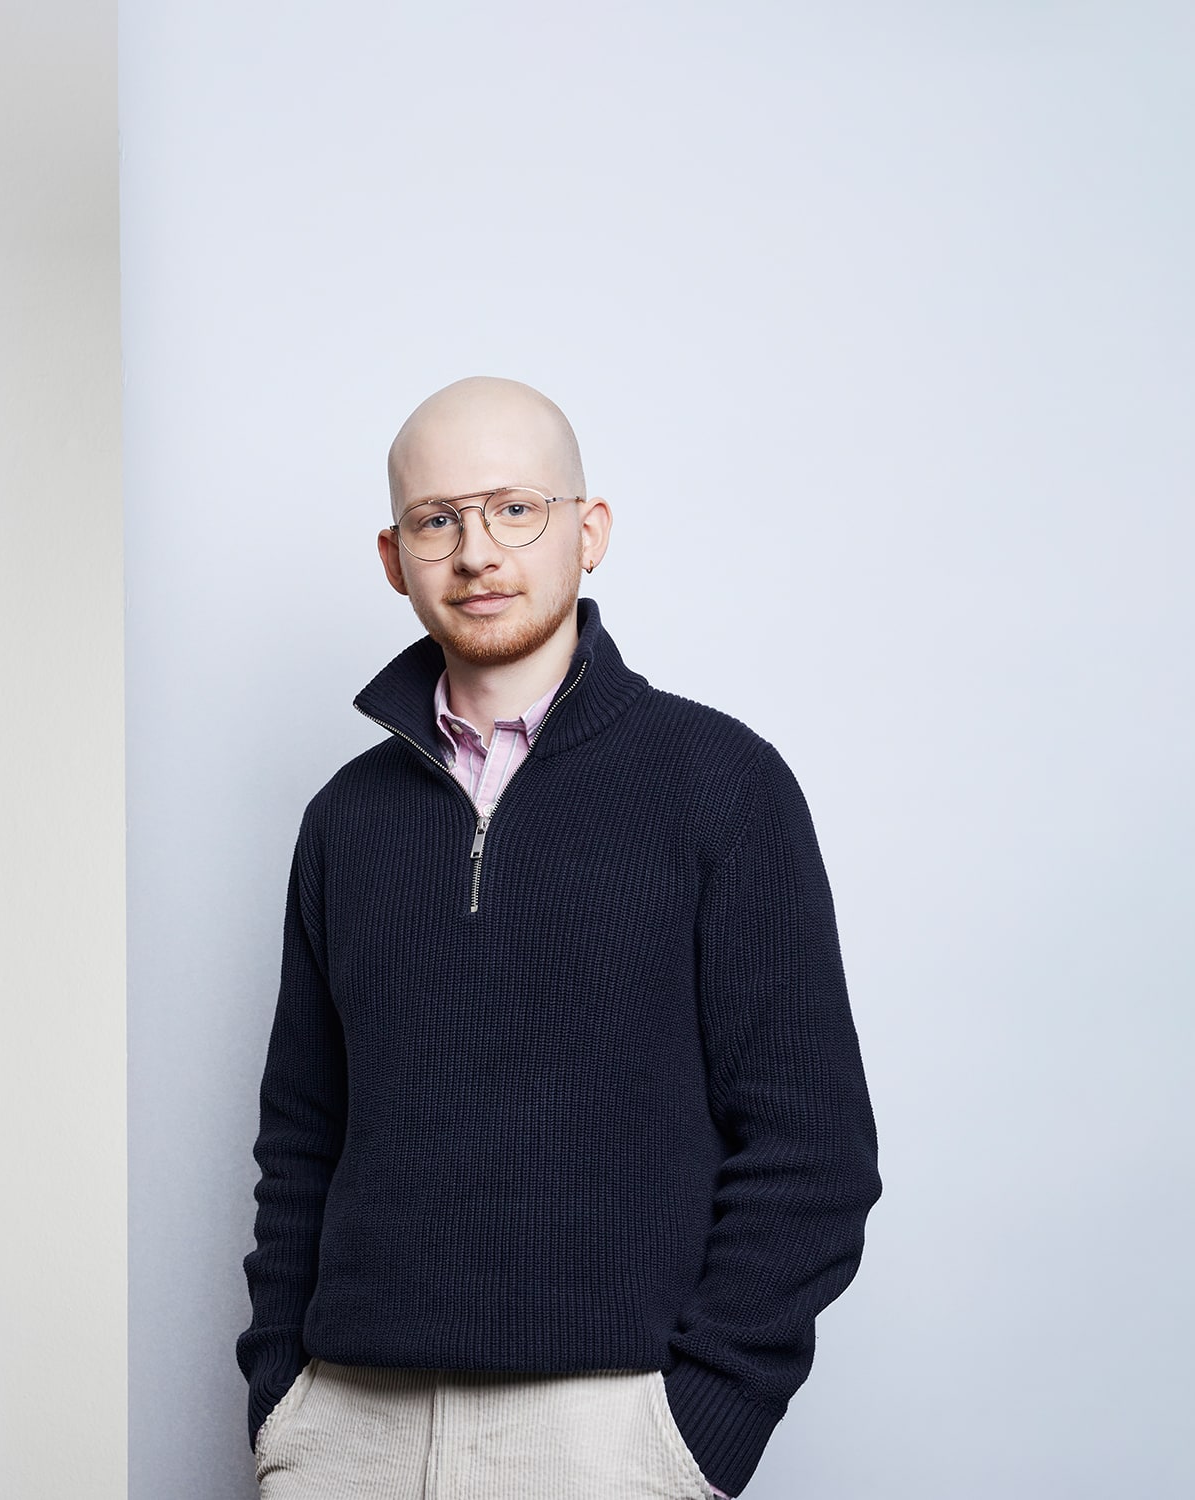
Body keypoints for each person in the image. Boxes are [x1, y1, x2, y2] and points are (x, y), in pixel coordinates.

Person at [236, 375, 881, 1498]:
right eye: (436, 520)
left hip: (604, 1436)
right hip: (347, 1428)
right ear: (393, 558)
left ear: (590, 532)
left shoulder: (719, 784)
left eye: (514, 509)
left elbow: (813, 1149)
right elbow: (302, 1137)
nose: (476, 551)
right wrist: (284, 1404)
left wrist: (696, 1430)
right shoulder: (346, 817)